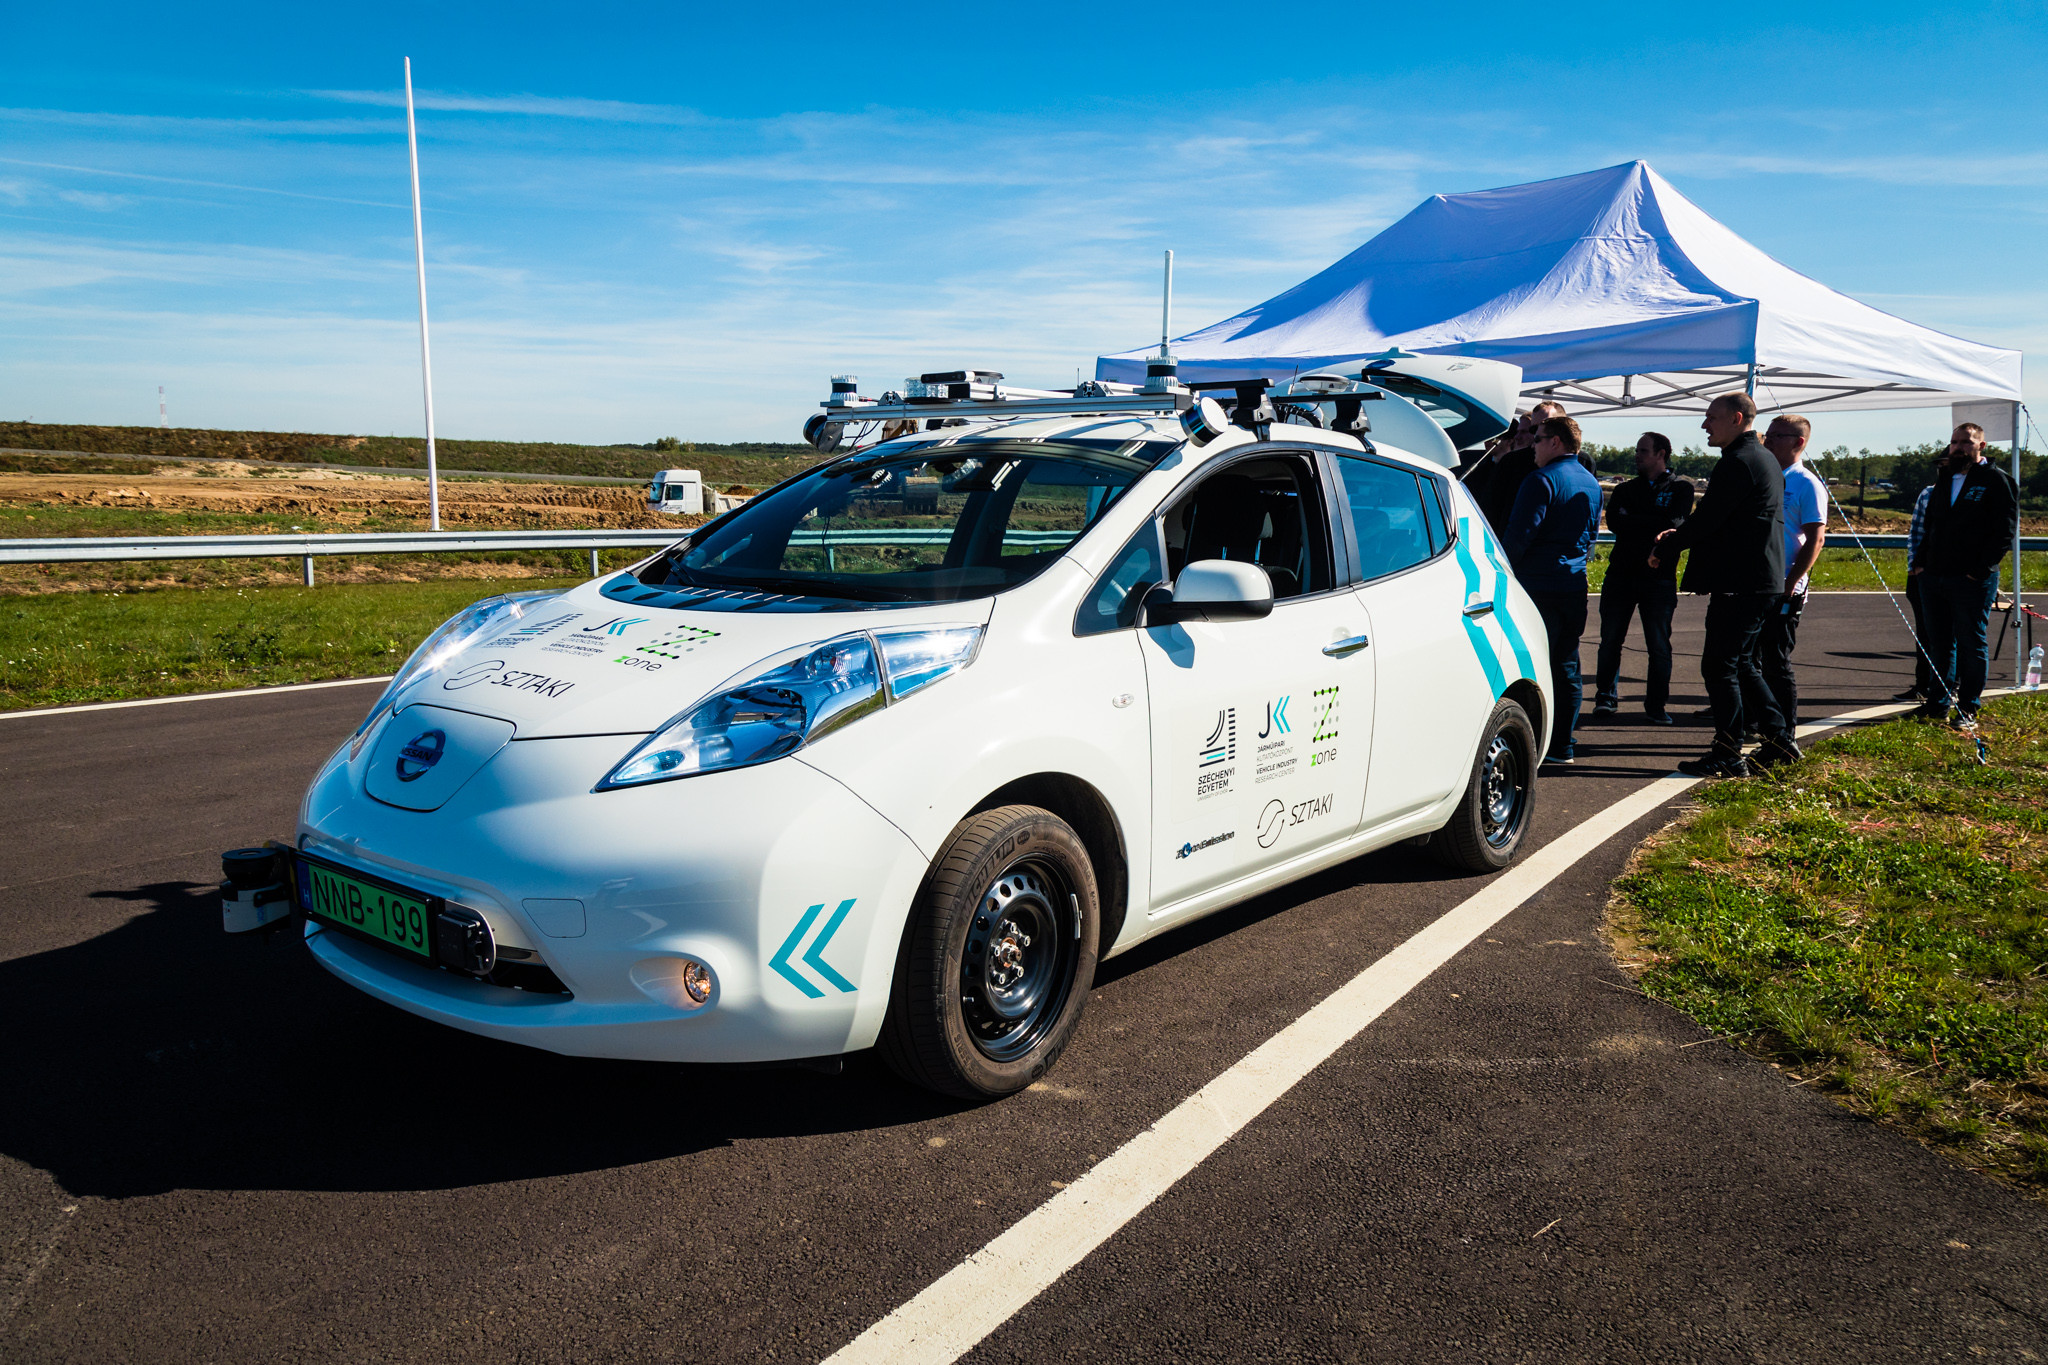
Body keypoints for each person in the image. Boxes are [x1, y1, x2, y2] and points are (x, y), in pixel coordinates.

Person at [1648, 391, 1794, 778]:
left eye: (1711, 417)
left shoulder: (1739, 461)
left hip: (1741, 580)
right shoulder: (1762, 457)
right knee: (1741, 664)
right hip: (1759, 579)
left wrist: (1667, 546)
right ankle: (1780, 740)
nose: (1704, 424)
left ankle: (1729, 752)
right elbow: (1725, 518)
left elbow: (1710, 518)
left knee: (1720, 667)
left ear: (1737, 419)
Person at [1502, 414, 1602, 763]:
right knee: (1567, 665)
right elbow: (1590, 537)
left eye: (1538, 438)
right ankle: (1563, 744)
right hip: (1573, 585)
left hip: (1538, 585)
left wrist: (1501, 571)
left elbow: (1520, 536)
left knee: (1531, 666)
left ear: (1555, 442)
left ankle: (1534, 743)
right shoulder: (1591, 482)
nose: (1533, 446)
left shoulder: (1541, 480)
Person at [1912, 422, 2020, 731]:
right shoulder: (1945, 477)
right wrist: (1920, 564)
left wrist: (1979, 570)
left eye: (1965, 442)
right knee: (1940, 644)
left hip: (1971, 579)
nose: (1958, 447)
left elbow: (2004, 531)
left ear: (1981, 445)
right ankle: (1938, 705)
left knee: (1971, 643)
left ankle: (1968, 707)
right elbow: (1931, 525)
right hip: (1934, 576)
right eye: (1954, 442)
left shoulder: (1996, 480)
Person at [1593, 431, 1693, 724]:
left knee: (1658, 645)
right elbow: (1615, 522)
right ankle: (1605, 698)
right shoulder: (1625, 489)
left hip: (1658, 577)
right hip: (1621, 574)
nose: (1637, 456)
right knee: (1610, 640)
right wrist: (1652, 523)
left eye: (1643, 451)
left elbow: (1675, 523)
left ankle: (1656, 706)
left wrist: (1636, 519)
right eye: (1637, 450)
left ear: (1661, 454)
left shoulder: (1681, 488)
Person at [1757, 414, 1828, 730]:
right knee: (1751, 659)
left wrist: (1791, 581)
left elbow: (1816, 539)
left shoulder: (1806, 483)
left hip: (1785, 586)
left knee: (1776, 661)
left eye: (1777, 436)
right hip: (1758, 582)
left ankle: (1785, 729)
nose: (1769, 441)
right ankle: (1756, 720)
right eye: (1768, 435)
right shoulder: (1766, 476)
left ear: (1798, 442)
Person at [1465, 400, 1565, 534]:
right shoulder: (1512, 463)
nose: (1538, 433)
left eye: (1544, 426)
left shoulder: (1580, 464)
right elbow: (1491, 508)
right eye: (1533, 429)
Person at [1894, 482, 1936, 701]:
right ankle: (1923, 684)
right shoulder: (1928, 493)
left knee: (1952, 636)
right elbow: (1916, 532)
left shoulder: (1972, 491)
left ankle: (1951, 686)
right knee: (1924, 633)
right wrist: (1914, 567)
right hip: (1923, 574)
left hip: (1952, 575)